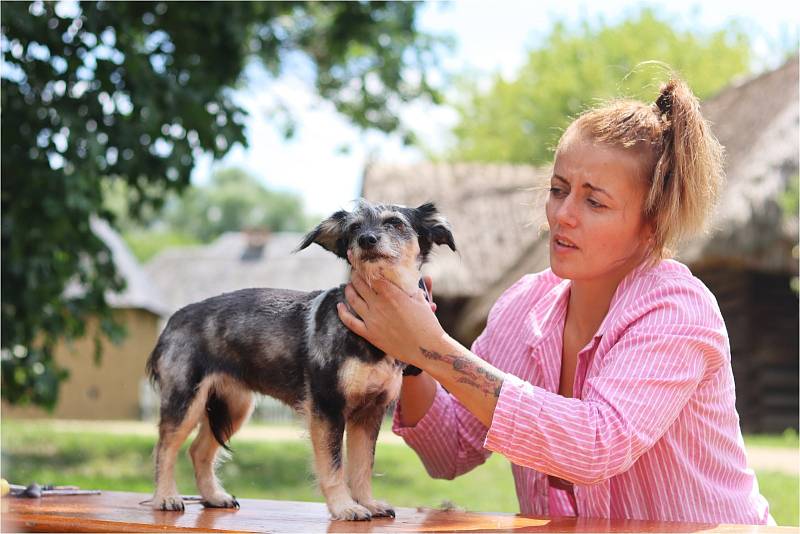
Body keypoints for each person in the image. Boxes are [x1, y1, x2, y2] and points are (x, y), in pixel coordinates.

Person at [336, 77, 774, 525]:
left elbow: (594, 445)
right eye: (559, 189)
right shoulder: (523, 308)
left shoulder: (677, 311)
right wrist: (412, 357)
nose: (563, 215)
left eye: (595, 203)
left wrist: (432, 348)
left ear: (653, 221)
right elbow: (449, 451)